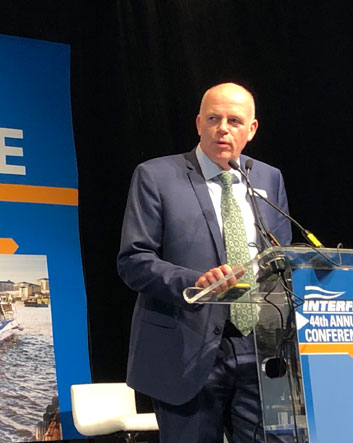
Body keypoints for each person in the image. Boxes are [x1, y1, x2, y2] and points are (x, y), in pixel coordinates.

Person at [117, 82, 292, 443]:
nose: (222, 128)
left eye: (234, 121)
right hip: (187, 347)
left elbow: (281, 258)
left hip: (259, 348)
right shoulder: (156, 176)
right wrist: (194, 283)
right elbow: (134, 260)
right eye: (213, 119)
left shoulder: (268, 178)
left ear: (251, 129)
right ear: (199, 123)